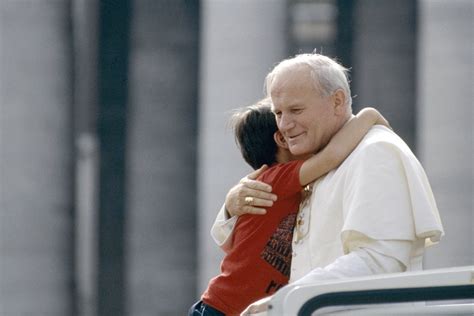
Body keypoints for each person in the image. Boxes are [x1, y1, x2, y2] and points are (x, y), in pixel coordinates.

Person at [211, 53, 444, 315]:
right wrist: (231, 206)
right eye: (278, 113)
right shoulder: (318, 158)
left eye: (296, 110)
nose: (285, 125)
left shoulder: (376, 152)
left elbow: (380, 261)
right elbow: (252, 242)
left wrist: (288, 299)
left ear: (337, 101)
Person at [190, 98, 390, 315]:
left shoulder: (285, 184)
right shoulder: (275, 180)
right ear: (282, 140)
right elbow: (331, 156)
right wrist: (370, 116)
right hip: (221, 309)